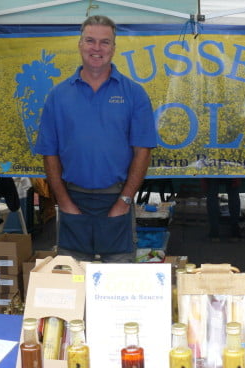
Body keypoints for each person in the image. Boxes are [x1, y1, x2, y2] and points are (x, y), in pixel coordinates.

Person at [35, 15, 157, 263]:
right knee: (74, 281)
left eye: (104, 42)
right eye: (90, 40)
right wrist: (64, 202)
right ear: (80, 44)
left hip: (116, 198)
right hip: (73, 199)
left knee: (118, 282)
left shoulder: (134, 93)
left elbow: (142, 151)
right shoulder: (58, 95)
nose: (97, 48)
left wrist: (125, 200)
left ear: (113, 48)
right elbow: (50, 153)